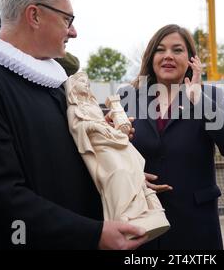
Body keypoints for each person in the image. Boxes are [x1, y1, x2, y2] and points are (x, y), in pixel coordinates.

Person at [0, 0, 147, 249]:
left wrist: (112, 159)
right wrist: (92, 234)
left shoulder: (54, 85)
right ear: (34, 15)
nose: (74, 31)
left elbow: (62, 163)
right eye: (68, 19)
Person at [119, 24, 224, 249]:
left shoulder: (210, 97)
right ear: (152, 57)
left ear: (191, 59)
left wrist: (200, 103)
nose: (168, 56)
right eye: (160, 50)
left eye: (177, 50)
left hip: (195, 227)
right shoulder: (129, 98)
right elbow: (112, 155)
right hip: (141, 222)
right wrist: (132, 175)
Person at [65, 72, 170, 241]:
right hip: (100, 146)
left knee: (133, 165)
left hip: (110, 140)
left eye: (86, 83)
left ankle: (142, 210)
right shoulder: (74, 108)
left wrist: (111, 127)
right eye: (81, 83)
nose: (85, 86)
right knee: (119, 172)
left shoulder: (92, 104)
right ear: (73, 88)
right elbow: (78, 128)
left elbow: (102, 122)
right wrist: (97, 127)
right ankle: (123, 215)